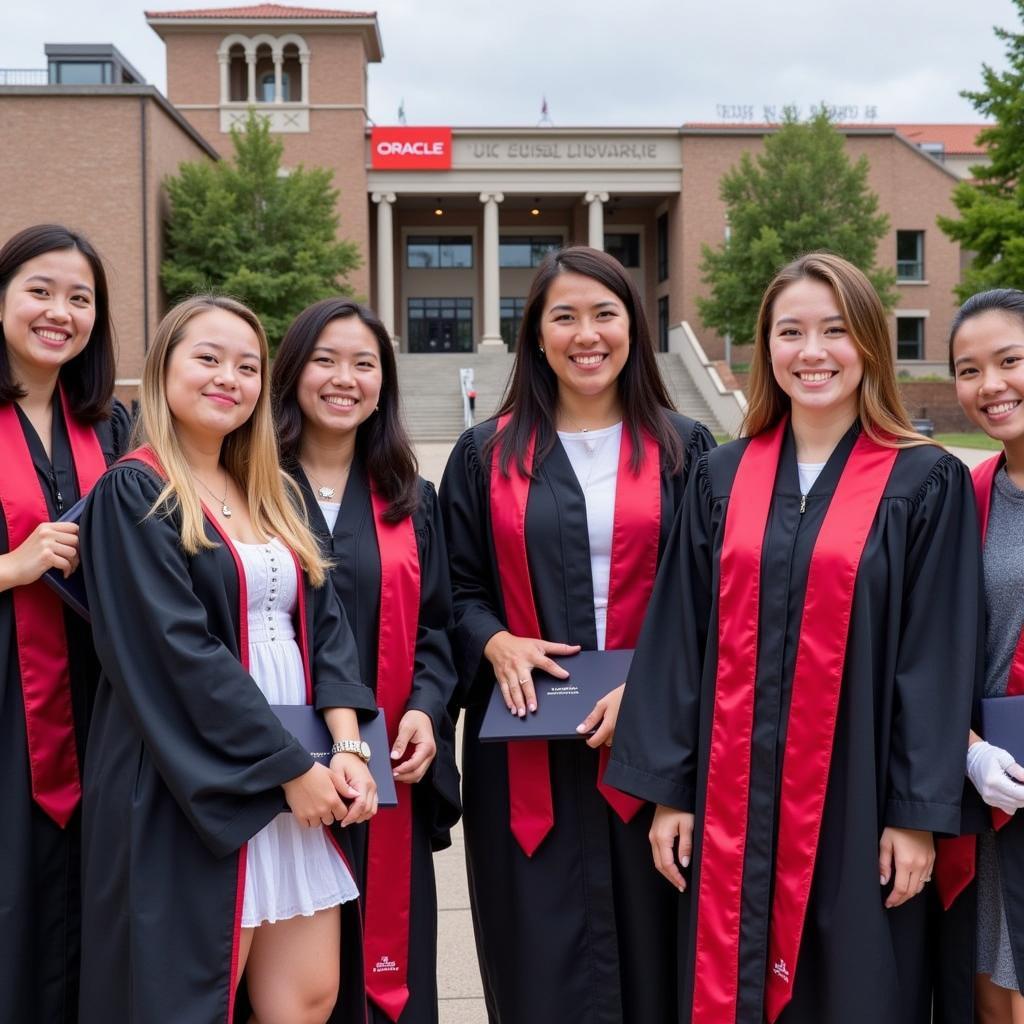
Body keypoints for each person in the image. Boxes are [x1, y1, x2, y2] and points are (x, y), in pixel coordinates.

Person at [606, 251, 981, 1024]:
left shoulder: (924, 481)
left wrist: (916, 813)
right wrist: (669, 794)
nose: (812, 353)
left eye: (835, 331)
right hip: (730, 801)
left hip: (860, 797)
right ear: (765, 347)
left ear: (870, 343)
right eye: (791, 332)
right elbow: (679, 639)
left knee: (857, 986)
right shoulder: (722, 477)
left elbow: (935, 659)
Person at [77, 295, 379, 1024]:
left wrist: (347, 748)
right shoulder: (135, 491)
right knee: (189, 998)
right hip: (197, 780)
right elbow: (178, 654)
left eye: (247, 366)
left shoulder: (274, 493)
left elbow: (328, 629)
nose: (229, 378)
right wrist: (288, 769)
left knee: (308, 1000)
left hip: (297, 773)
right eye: (207, 359)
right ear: (163, 369)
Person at [439, 245, 715, 1022]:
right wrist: (494, 641)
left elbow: (719, 600)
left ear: (634, 324)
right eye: (563, 316)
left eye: (604, 312)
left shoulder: (690, 451)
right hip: (527, 746)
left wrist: (655, 689)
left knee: (664, 954)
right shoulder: (484, 454)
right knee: (537, 962)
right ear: (534, 334)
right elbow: (452, 589)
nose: (585, 333)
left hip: (660, 748)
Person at [272, 298, 461, 1024]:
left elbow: (438, 631)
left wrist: (427, 709)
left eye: (364, 363)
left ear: (385, 381)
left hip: (387, 771)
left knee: (391, 967)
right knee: (293, 985)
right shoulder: (249, 490)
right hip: (283, 775)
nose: (344, 378)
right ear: (292, 373)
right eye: (325, 360)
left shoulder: (412, 500)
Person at [0, 223, 131, 1023]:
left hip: (97, 703)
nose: (60, 312)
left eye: (79, 299)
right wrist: (13, 567)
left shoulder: (110, 425)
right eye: (40, 291)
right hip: (6, 708)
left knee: (93, 898)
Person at [933, 289, 1024, 1024]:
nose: (991, 385)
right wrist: (968, 752)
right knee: (995, 989)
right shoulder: (965, 497)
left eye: (1011, 360)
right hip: (1002, 789)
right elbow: (934, 649)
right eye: (969, 370)